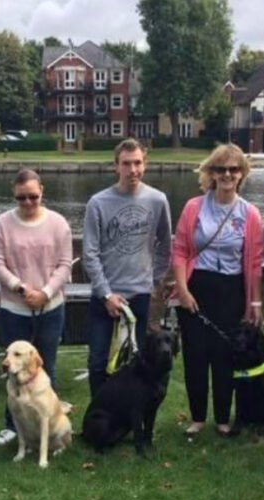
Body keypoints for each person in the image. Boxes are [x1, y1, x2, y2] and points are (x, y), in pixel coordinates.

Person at [172, 143, 264, 437]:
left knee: (226, 355)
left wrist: (255, 303)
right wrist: (183, 291)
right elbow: (180, 252)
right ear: (211, 173)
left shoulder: (249, 214)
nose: (227, 174)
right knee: (196, 355)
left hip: (231, 289)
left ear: (241, 174)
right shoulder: (193, 208)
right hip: (198, 285)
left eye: (233, 169)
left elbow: (253, 263)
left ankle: (223, 417)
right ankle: (198, 417)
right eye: (220, 169)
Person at [0, 169, 73, 446]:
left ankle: (49, 420)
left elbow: (65, 264)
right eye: (21, 198)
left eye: (33, 197)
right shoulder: (2, 224)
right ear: (14, 195)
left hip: (51, 307)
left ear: (42, 192)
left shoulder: (59, 223)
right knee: (12, 369)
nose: (27, 203)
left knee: (45, 364)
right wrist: (20, 288)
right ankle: (13, 424)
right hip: (14, 308)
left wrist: (46, 293)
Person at [82, 138, 172, 396]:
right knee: (98, 360)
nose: (133, 170)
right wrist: (106, 294)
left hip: (140, 295)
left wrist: (153, 281)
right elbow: (90, 254)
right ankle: (98, 412)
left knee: (138, 361)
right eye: (126, 164)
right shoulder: (98, 203)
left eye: (138, 163)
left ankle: (132, 414)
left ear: (145, 164)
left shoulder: (158, 200)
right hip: (105, 297)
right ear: (116, 166)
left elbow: (165, 244)